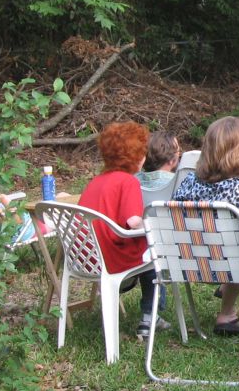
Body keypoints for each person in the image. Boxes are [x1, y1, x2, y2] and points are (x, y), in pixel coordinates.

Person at [172, 116, 239, 336]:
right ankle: (226, 312)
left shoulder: (187, 182)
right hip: (230, 265)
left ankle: (227, 313)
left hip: (188, 262)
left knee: (235, 244)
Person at [77, 122, 168, 338]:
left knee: (146, 250)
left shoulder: (96, 181)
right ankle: (150, 316)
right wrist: (155, 225)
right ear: (137, 156)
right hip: (111, 256)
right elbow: (133, 222)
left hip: (84, 256)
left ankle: (139, 303)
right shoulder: (128, 182)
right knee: (155, 253)